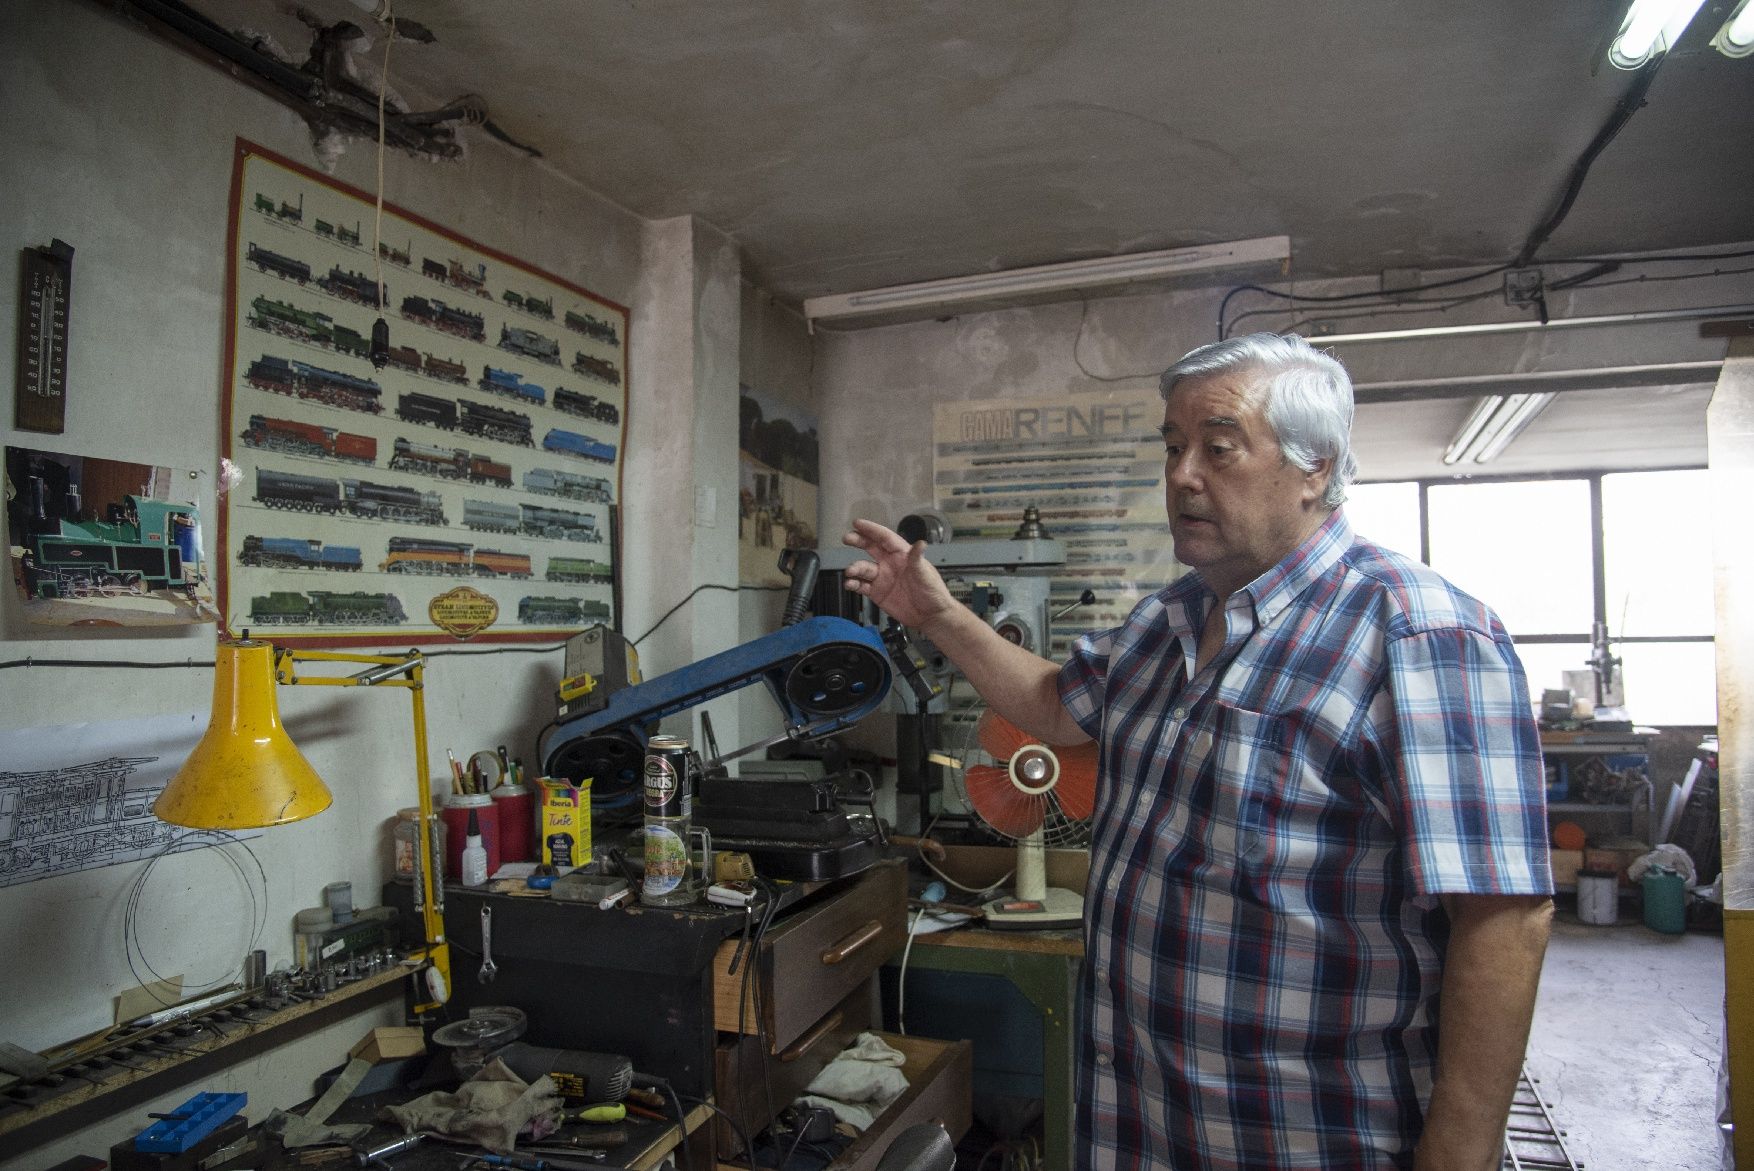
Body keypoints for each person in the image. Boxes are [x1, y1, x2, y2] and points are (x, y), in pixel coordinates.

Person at [842, 332, 1553, 1171]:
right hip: (1143, 1125)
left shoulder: (1420, 633)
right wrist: (937, 616)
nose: (1182, 474)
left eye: (1218, 448)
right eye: (1174, 447)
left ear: (1316, 465)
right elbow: (1049, 706)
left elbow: (1503, 916)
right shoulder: (1163, 623)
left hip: (1309, 1138)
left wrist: (1461, 1153)